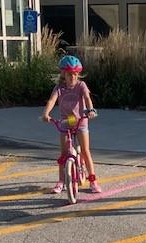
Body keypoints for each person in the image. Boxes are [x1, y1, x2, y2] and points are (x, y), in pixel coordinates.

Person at [42, 55, 102, 194]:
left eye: (75, 74)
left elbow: (87, 98)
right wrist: (46, 113)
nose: (72, 77)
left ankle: (93, 180)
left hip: (81, 120)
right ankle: (61, 181)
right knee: (63, 154)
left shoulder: (81, 85)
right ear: (64, 74)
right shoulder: (59, 88)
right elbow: (52, 100)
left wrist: (90, 110)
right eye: (69, 74)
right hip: (65, 122)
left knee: (86, 151)